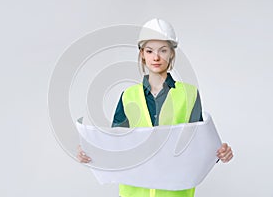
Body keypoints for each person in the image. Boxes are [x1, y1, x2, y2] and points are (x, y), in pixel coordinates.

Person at [77, 18, 233, 197]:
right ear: (142, 53)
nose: (156, 57)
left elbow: (196, 147)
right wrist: (91, 153)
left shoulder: (189, 94)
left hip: (174, 193)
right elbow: (116, 145)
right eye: (150, 51)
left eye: (163, 50)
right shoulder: (128, 96)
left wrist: (219, 154)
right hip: (134, 193)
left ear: (171, 54)